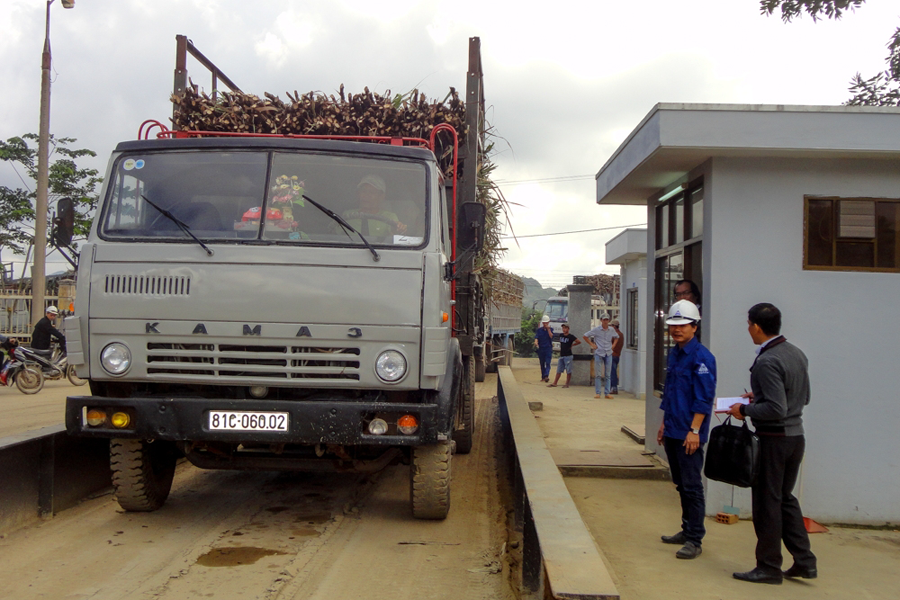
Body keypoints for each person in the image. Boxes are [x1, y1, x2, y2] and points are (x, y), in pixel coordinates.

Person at [728, 303, 817, 585]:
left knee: (767, 503)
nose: (748, 330)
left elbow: (776, 409)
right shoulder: (796, 353)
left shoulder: (767, 360)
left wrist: (744, 410)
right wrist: (760, 396)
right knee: (785, 499)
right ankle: (804, 561)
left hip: (774, 439)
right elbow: (802, 398)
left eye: (748, 325)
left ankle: (768, 566)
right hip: (795, 438)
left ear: (755, 326)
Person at [656, 300, 716, 560]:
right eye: (673, 325)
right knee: (680, 484)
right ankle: (686, 528)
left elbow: (704, 399)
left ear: (694, 326)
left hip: (689, 433)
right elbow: (670, 392)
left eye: (682, 325)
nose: (677, 330)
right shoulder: (675, 353)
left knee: (692, 486)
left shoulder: (702, 358)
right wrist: (663, 423)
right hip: (672, 429)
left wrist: (694, 430)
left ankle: (695, 538)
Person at [342, 175, 407, 238]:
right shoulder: (347, 216)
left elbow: (394, 236)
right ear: (359, 194)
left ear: (381, 196)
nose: (366, 195)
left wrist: (399, 229)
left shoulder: (390, 217)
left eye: (372, 192)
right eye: (364, 191)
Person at [583, 314, 618, 399]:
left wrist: (613, 345)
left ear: (608, 321)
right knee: (598, 374)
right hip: (599, 353)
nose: (605, 321)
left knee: (608, 374)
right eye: (604, 320)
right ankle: (598, 392)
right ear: (601, 320)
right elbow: (585, 336)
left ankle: (607, 393)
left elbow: (617, 337)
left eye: (607, 320)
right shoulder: (596, 330)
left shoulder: (611, 330)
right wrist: (592, 345)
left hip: (608, 352)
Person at [548, 323, 580, 388]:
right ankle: (555, 383)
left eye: (565, 328)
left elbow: (578, 341)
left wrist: (572, 345)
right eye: (563, 328)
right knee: (559, 370)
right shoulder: (561, 335)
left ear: (568, 329)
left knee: (568, 370)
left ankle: (567, 383)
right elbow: (552, 336)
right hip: (562, 355)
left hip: (568, 355)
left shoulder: (571, 336)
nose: (564, 329)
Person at [533, 315, 553, 382]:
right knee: (542, 363)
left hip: (548, 348)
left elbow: (551, 336)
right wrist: (536, 342)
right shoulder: (539, 330)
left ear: (548, 322)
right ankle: (543, 377)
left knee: (547, 363)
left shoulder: (551, 329)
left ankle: (546, 375)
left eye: (546, 323)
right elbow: (536, 337)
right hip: (541, 348)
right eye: (544, 323)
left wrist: (548, 329)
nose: (545, 324)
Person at [610, 318, 624, 394]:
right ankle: (613, 387)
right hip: (617, 355)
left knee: (612, 372)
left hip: (612, 355)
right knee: (613, 371)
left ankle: (613, 387)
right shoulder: (621, 335)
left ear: (614, 326)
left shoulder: (615, 335)